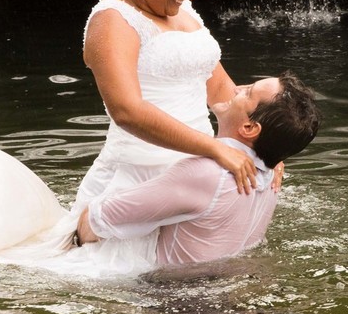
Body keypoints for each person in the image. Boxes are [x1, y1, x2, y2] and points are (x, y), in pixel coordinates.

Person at [73, 0, 260, 214]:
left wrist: (262, 149)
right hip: (136, 182)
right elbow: (127, 111)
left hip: (198, 178)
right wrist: (213, 147)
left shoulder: (187, 12)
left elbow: (223, 92)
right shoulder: (112, 19)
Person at [73, 72, 321, 267]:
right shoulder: (271, 174)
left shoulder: (207, 173)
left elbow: (95, 222)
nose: (236, 88)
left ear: (249, 128)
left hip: (173, 311)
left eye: (248, 93)